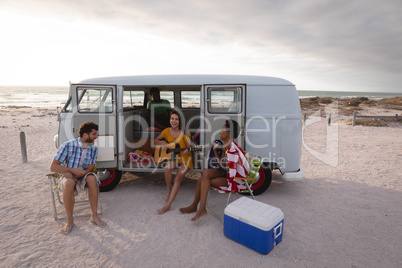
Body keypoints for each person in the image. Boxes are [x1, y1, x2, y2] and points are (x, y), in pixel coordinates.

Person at [179, 119, 250, 222]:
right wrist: (216, 151)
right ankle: (195, 206)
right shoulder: (224, 146)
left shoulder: (231, 151)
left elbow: (231, 174)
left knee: (203, 181)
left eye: (222, 131)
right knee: (205, 174)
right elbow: (222, 165)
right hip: (226, 173)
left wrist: (223, 157)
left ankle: (201, 208)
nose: (220, 132)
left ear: (227, 134)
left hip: (234, 180)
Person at [49, 121, 106, 235]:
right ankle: (70, 221)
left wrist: (84, 172)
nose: (96, 136)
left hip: (83, 175)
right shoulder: (68, 145)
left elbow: (91, 167)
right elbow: (53, 167)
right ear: (85, 135)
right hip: (69, 175)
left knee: (92, 178)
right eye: (94, 134)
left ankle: (94, 216)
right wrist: (71, 171)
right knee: (69, 183)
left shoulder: (93, 149)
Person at [154, 110, 194, 214]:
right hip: (175, 159)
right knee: (167, 167)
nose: (174, 121)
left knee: (178, 177)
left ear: (180, 121)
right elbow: (156, 140)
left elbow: (189, 147)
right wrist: (161, 142)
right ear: (170, 120)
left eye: (176, 119)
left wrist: (187, 149)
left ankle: (168, 205)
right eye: (172, 119)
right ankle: (169, 192)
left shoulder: (185, 132)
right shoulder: (167, 131)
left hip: (186, 160)